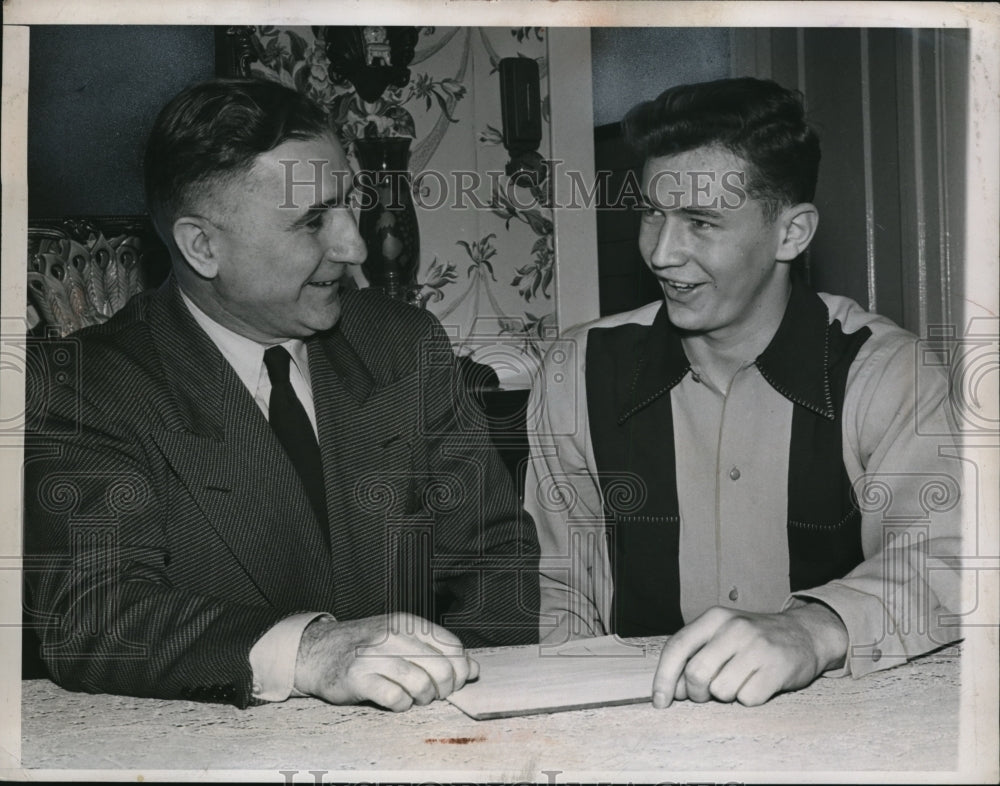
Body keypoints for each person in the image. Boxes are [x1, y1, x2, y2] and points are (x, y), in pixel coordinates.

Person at [24, 78, 540, 710]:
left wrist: (452, 702)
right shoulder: (86, 385)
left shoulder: (402, 343)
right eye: (312, 220)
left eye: (348, 204)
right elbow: (96, 614)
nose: (353, 247)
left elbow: (493, 556)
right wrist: (311, 651)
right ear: (202, 246)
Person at [524, 77, 963, 707]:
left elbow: (953, 553)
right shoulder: (576, 369)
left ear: (792, 233)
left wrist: (814, 628)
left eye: (701, 222)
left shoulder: (887, 371)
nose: (661, 253)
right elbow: (559, 592)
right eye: (652, 212)